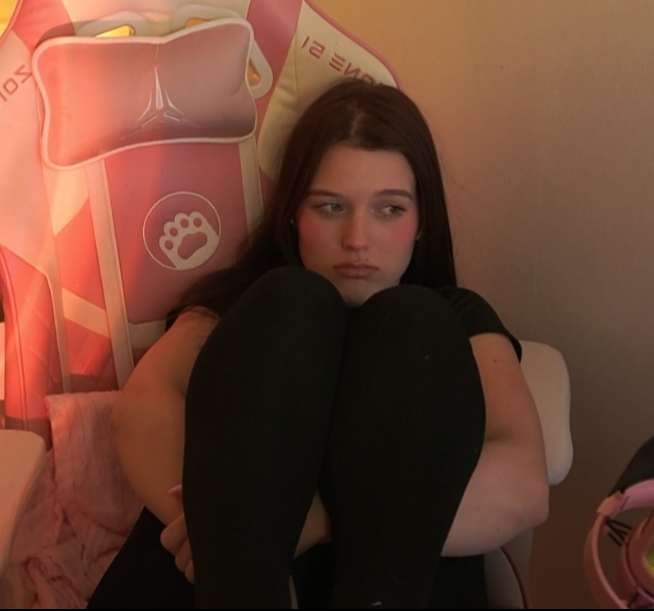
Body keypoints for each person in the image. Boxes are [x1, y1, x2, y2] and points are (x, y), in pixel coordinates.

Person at [87, 78, 549, 609]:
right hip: (225, 573)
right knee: (293, 302)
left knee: (414, 321)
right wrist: (227, 536)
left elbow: (524, 484)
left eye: (390, 209)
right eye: (331, 207)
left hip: (389, 577)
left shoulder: (456, 318)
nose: (357, 239)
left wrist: (302, 519)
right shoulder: (243, 302)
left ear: (422, 221)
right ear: (294, 213)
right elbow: (139, 413)